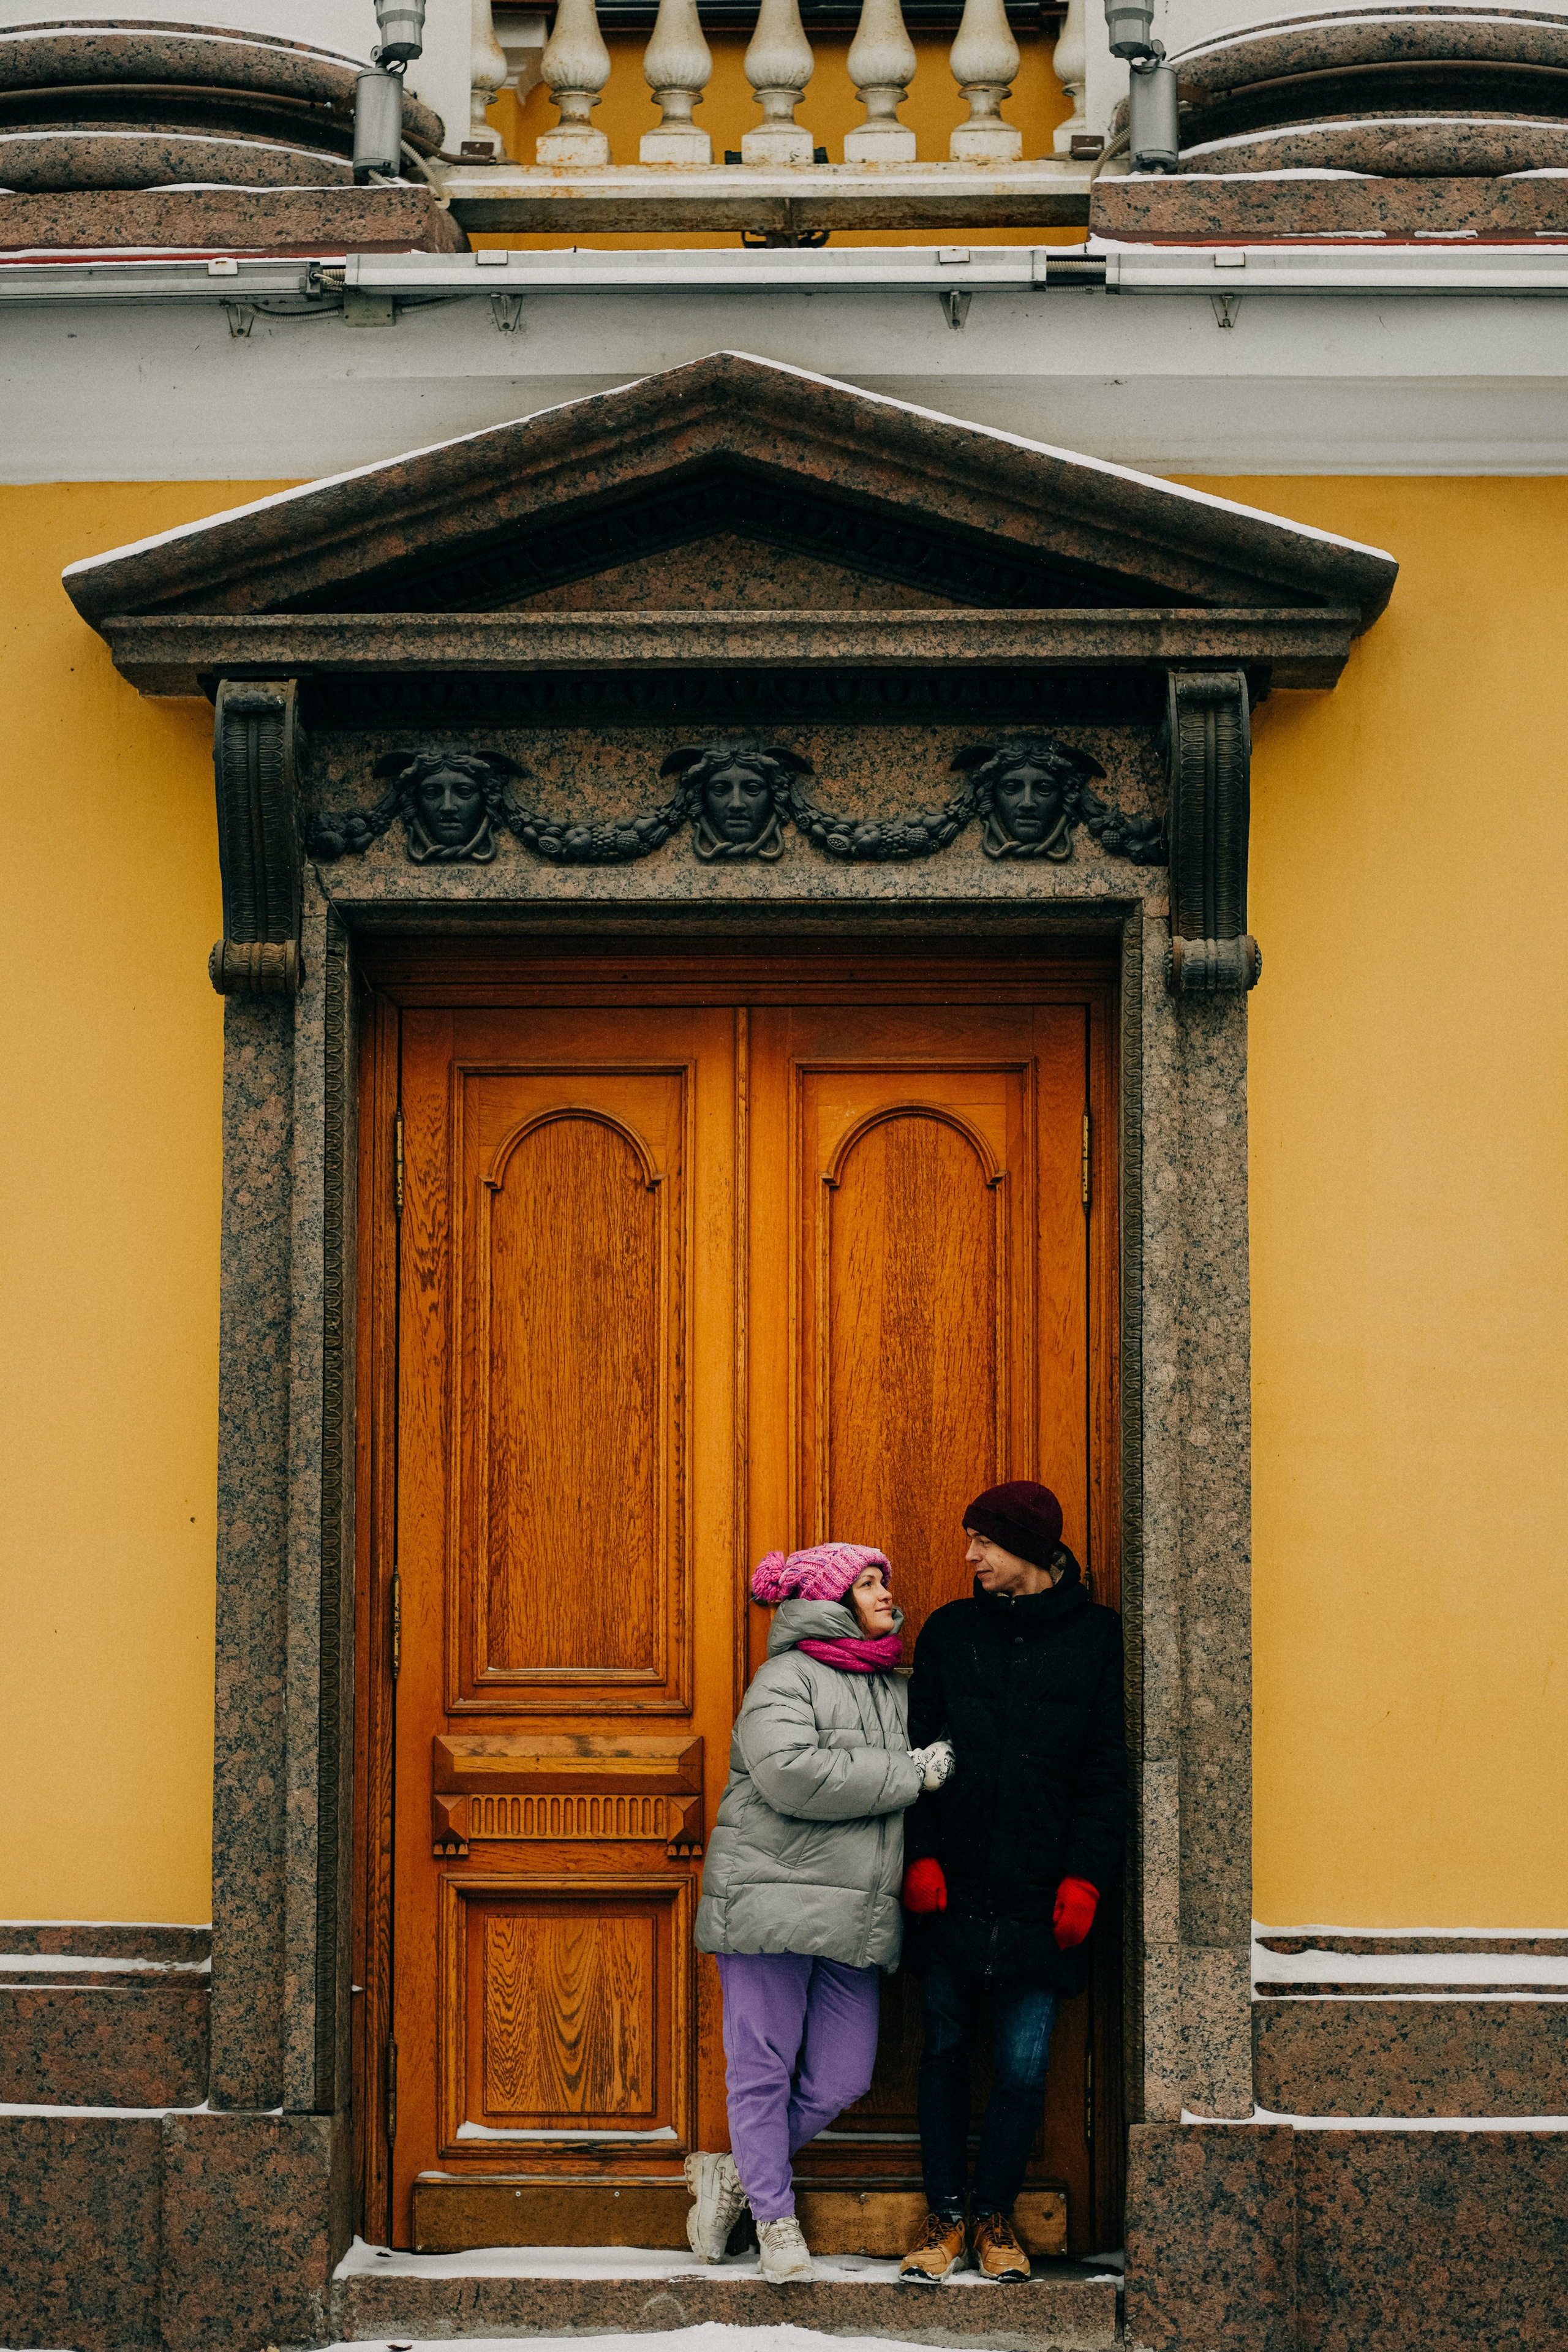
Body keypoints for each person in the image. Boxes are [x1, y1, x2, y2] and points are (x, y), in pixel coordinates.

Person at [685, 1541, 956, 2282]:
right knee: (762, 2070)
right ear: (828, 1603)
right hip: (768, 1899)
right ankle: (775, 2223)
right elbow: (790, 1776)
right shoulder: (783, 1679)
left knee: (841, 2076)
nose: (884, 1594)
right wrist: (909, 1773)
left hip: (855, 1913)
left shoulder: (896, 1688)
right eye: (867, 1584)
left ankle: (733, 2174)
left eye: (882, 1582)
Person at [897, 1480, 1127, 2285]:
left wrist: (1086, 1881)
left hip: (1043, 1893)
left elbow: (1105, 1776)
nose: (969, 1557)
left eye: (982, 1543)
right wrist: (918, 1856)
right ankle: (946, 2217)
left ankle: (995, 2215)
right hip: (953, 1887)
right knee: (947, 2049)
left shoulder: (1098, 1640)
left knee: (1025, 2065)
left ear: (1026, 1549)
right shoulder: (951, 1633)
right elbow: (919, 1755)